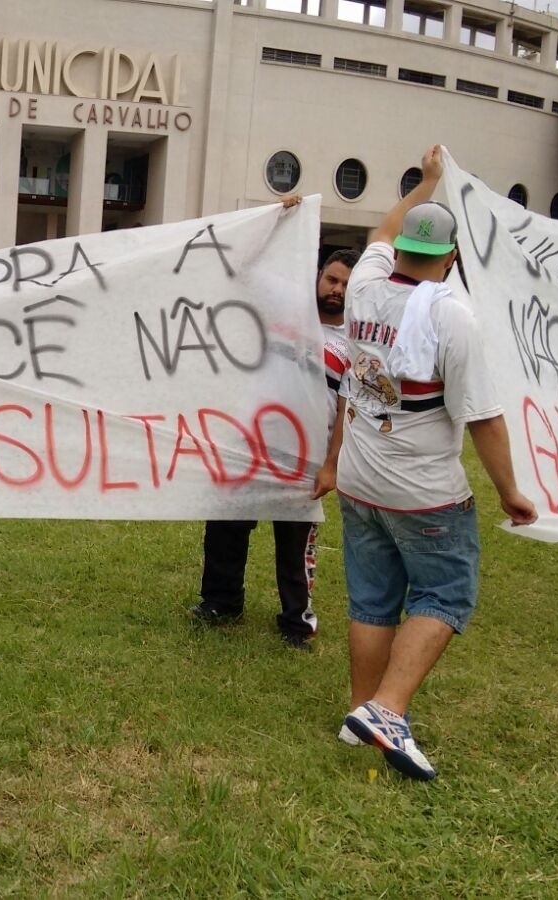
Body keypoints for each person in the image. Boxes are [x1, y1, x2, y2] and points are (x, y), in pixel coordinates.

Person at [332, 145, 537, 781]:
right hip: (421, 490)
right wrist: (509, 491)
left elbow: (381, 230)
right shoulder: (453, 314)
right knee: (446, 591)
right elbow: (481, 416)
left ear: (399, 254)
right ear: (450, 259)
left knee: (372, 599)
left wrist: (424, 183)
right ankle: (388, 710)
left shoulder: (364, 286)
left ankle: (359, 713)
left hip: (358, 478)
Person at [192, 196, 354, 652]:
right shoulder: (286, 303)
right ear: (319, 275)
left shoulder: (356, 346)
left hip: (305, 458)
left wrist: (332, 465)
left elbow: (347, 409)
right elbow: (238, 263)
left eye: (347, 285)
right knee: (226, 524)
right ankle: (220, 602)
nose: (338, 290)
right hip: (250, 441)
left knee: (295, 546)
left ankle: (296, 622)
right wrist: (275, 219)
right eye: (332, 279)